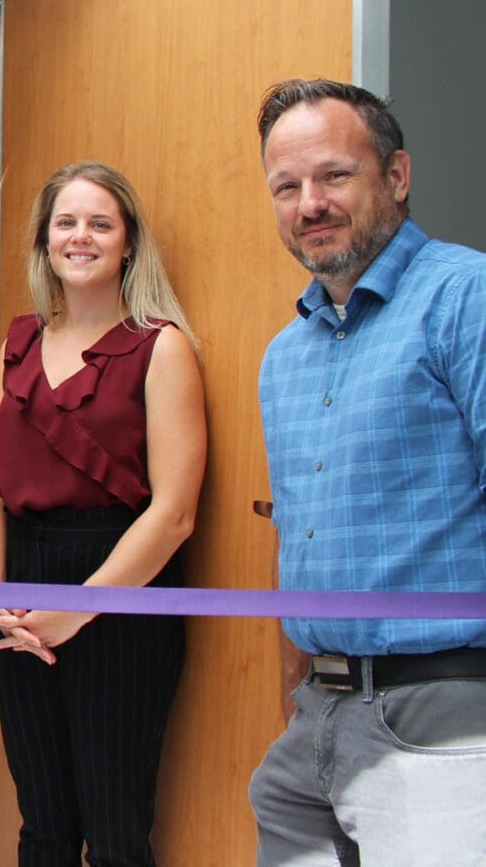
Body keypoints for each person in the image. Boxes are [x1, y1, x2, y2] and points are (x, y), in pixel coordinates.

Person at [248, 78, 486, 863]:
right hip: (316, 718)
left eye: (334, 175)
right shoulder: (285, 357)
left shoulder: (467, 299)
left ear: (397, 176)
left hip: (445, 712)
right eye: (287, 186)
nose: (310, 203)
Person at [0, 161, 205, 866]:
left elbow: (173, 515)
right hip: (21, 587)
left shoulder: (160, 347)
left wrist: (79, 608)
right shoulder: (17, 342)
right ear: (45, 241)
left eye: (100, 223)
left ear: (128, 242)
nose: (81, 237)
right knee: (41, 819)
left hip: (123, 588)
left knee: (114, 828)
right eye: (65, 223)